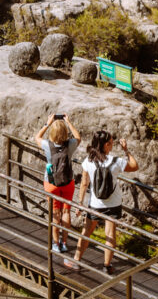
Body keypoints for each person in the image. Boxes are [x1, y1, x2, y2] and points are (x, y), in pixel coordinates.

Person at [64, 130, 138, 275]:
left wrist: (80, 203)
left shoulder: (88, 161)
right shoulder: (116, 162)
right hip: (113, 204)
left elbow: (84, 183)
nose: (112, 145)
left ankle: (77, 260)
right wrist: (126, 150)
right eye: (111, 143)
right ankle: (107, 265)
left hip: (95, 204)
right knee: (110, 234)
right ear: (105, 145)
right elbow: (135, 166)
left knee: (87, 232)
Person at [34, 113, 81, 254]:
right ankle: (64, 242)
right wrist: (69, 122)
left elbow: (37, 137)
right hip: (67, 182)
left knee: (55, 214)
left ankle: (55, 244)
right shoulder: (70, 145)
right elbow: (78, 137)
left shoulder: (47, 145)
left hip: (51, 183)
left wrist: (47, 123)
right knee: (66, 212)